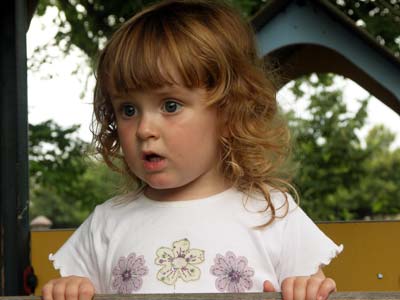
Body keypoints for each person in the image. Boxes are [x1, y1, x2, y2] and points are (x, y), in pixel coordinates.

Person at [42, 1, 343, 300]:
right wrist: (69, 289)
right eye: (128, 109)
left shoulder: (272, 213)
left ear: (228, 113)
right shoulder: (106, 224)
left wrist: (307, 289)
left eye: (170, 105)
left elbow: (311, 286)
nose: (145, 128)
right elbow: (73, 284)